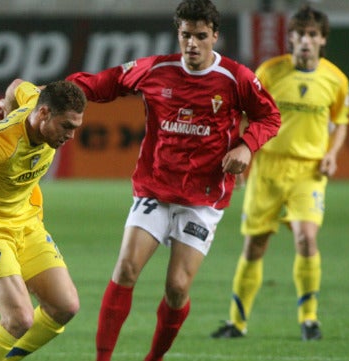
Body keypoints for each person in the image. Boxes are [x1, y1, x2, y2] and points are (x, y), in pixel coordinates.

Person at [66, 0, 281, 360]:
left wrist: (247, 146)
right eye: (185, 35)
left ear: (215, 36)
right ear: (177, 34)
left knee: (177, 288)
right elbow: (102, 84)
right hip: (156, 189)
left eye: (200, 36)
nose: (192, 44)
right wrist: (44, 91)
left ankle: (154, 358)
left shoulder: (236, 78)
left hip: (203, 198)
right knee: (126, 268)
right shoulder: (154, 69)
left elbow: (269, 117)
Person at [210, 4, 349, 341]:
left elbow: (341, 123)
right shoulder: (270, 72)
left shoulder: (336, 79)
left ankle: (309, 319)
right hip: (269, 168)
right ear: (290, 37)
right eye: (299, 34)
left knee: (306, 239)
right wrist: (244, 156)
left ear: (322, 40)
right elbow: (247, 116)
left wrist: (331, 154)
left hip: (308, 171)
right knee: (255, 244)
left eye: (312, 35)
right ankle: (237, 322)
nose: (305, 40)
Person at [0, 78, 87, 361]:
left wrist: (8, 105)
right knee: (19, 319)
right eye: (66, 127)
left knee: (64, 306)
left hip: (26, 222)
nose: (70, 136)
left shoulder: (35, 99)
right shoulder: (0, 144)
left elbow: (16, 85)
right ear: (45, 114)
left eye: (75, 128)